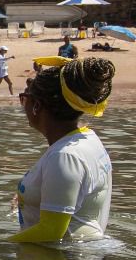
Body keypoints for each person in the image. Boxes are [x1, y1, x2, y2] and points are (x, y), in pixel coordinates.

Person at [13, 57, 114, 243]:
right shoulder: (87, 139)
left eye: (24, 98)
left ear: (36, 106)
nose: (23, 105)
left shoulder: (65, 155)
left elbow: (51, 232)